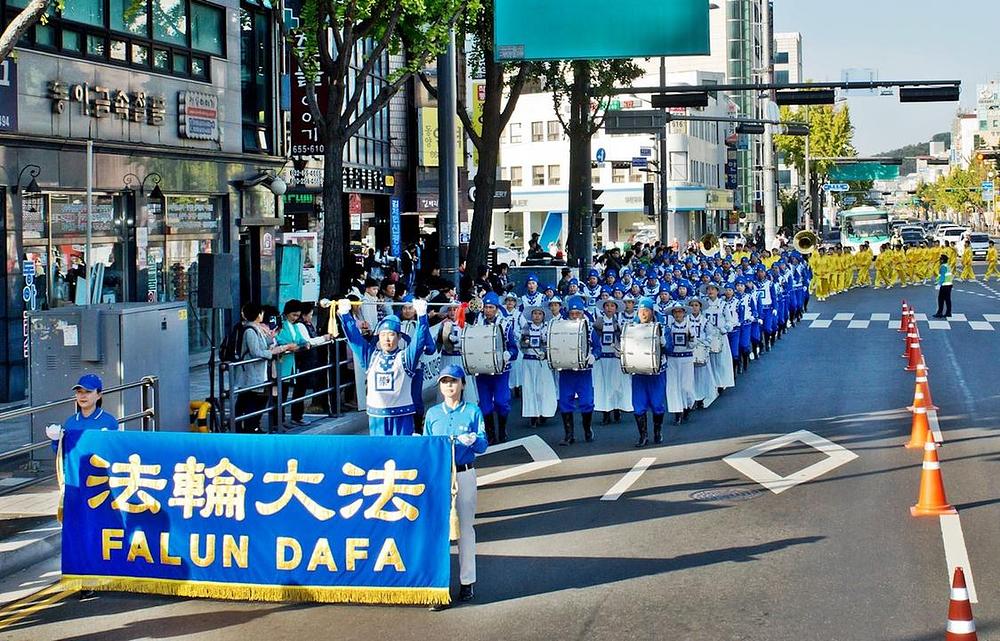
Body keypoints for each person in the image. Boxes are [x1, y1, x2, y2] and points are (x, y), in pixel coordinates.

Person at [422, 364, 488, 609]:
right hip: (439, 477)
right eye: (445, 382)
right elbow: (428, 448)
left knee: (465, 528)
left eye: (454, 381)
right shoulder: (432, 414)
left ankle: (467, 581)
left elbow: (483, 444)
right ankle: (439, 586)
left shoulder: (472, 412)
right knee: (438, 531)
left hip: (464, 474)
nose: (449, 386)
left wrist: (472, 440)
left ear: (462, 384)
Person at [337, 298, 431, 435]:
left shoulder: (406, 357)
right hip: (377, 418)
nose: (387, 339)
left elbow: (419, 341)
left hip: (402, 416)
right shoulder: (370, 356)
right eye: (383, 335)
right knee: (379, 454)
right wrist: (345, 315)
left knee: (402, 452)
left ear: (399, 337)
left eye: (391, 335)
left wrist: (422, 315)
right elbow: (355, 339)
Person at [230, 302, 295, 433]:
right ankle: (248, 427)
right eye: (261, 313)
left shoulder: (256, 329)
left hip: (256, 371)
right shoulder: (250, 330)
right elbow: (257, 352)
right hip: (251, 371)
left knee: (248, 399)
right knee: (250, 400)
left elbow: (264, 346)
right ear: (257, 315)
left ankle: (247, 426)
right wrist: (276, 351)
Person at [555, 296, 602, 445]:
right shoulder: (560, 327)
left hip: (583, 372)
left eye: (578, 313)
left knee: (587, 401)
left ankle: (587, 429)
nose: (575, 316)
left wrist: (594, 356)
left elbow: (598, 348)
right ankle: (569, 434)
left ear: (583, 313)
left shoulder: (589, 329)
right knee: (565, 401)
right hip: (566, 370)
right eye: (572, 313)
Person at [629, 297, 669, 447]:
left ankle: (657, 432)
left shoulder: (662, 328)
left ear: (652, 312)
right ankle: (643, 436)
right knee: (638, 405)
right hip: (639, 372)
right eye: (641, 311)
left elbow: (669, 349)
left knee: (657, 404)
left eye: (646, 311)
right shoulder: (631, 328)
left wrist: (664, 343)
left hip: (657, 373)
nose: (643, 314)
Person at [45, 374, 120, 451]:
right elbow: (64, 453)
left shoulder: (109, 421)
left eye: (88, 391)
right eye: (79, 391)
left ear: (99, 395)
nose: (83, 396)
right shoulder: (70, 422)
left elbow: (115, 450)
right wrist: (56, 440)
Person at [518, 306, 557, 426]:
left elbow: (550, 343)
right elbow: (522, 344)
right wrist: (525, 344)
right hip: (529, 362)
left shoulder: (547, 328)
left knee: (543, 389)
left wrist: (544, 353)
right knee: (530, 388)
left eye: (540, 314)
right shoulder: (526, 328)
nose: (537, 316)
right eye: (535, 313)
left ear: (543, 316)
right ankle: (532, 415)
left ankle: (543, 412)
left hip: (542, 362)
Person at [275, 299, 311, 427]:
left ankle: (282, 420)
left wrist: (305, 342)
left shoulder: (295, 326)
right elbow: (278, 339)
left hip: (291, 363)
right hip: (282, 362)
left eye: (297, 315)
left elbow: (299, 338)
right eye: (293, 315)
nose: (295, 318)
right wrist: (289, 346)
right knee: (280, 394)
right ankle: (278, 421)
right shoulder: (280, 325)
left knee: (284, 392)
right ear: (287, 313)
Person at [933, 253, 953, 319]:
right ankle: (948, 312)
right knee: (947, 299)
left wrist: (939, 284)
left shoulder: (943, 267)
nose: (939, 261)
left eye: (940, 259)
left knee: (941, 299)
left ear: (942, 260)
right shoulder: (948, 266)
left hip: (944, 285)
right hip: (949, 284)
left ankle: (940, 312)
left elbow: (942, 276)